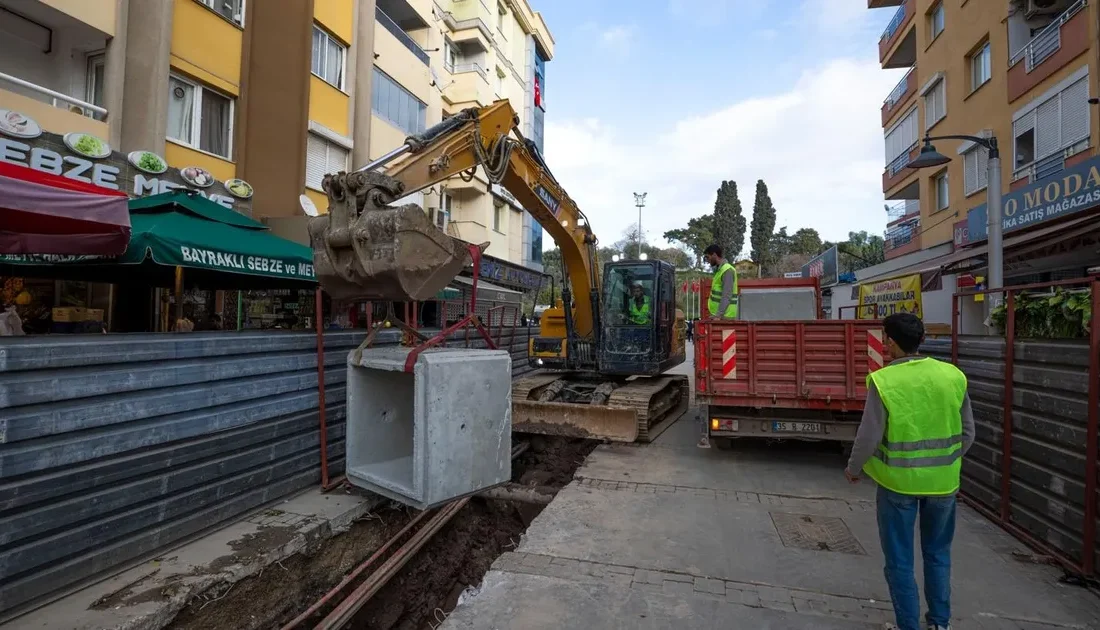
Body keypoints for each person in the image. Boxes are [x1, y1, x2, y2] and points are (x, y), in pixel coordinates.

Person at [845, 313, 975, 630]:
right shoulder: (952, 376)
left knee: (900, 561)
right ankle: (940, 623)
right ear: (922, 340)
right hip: (944, 485)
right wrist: (944, 462)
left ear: (889, 342)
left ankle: (908, 625)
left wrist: (854, 468)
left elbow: (869, 436)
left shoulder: (884, 381)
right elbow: (968, 433)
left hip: (897, 486)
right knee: (938, 554)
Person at [703, 244, 738, 319]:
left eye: (708, 257)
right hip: (720, 317)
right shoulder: (719, 270)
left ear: (714, 255)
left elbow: (727, 295)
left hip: (725, 317)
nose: (708, 261)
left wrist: (718, 315)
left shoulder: (727, 270)